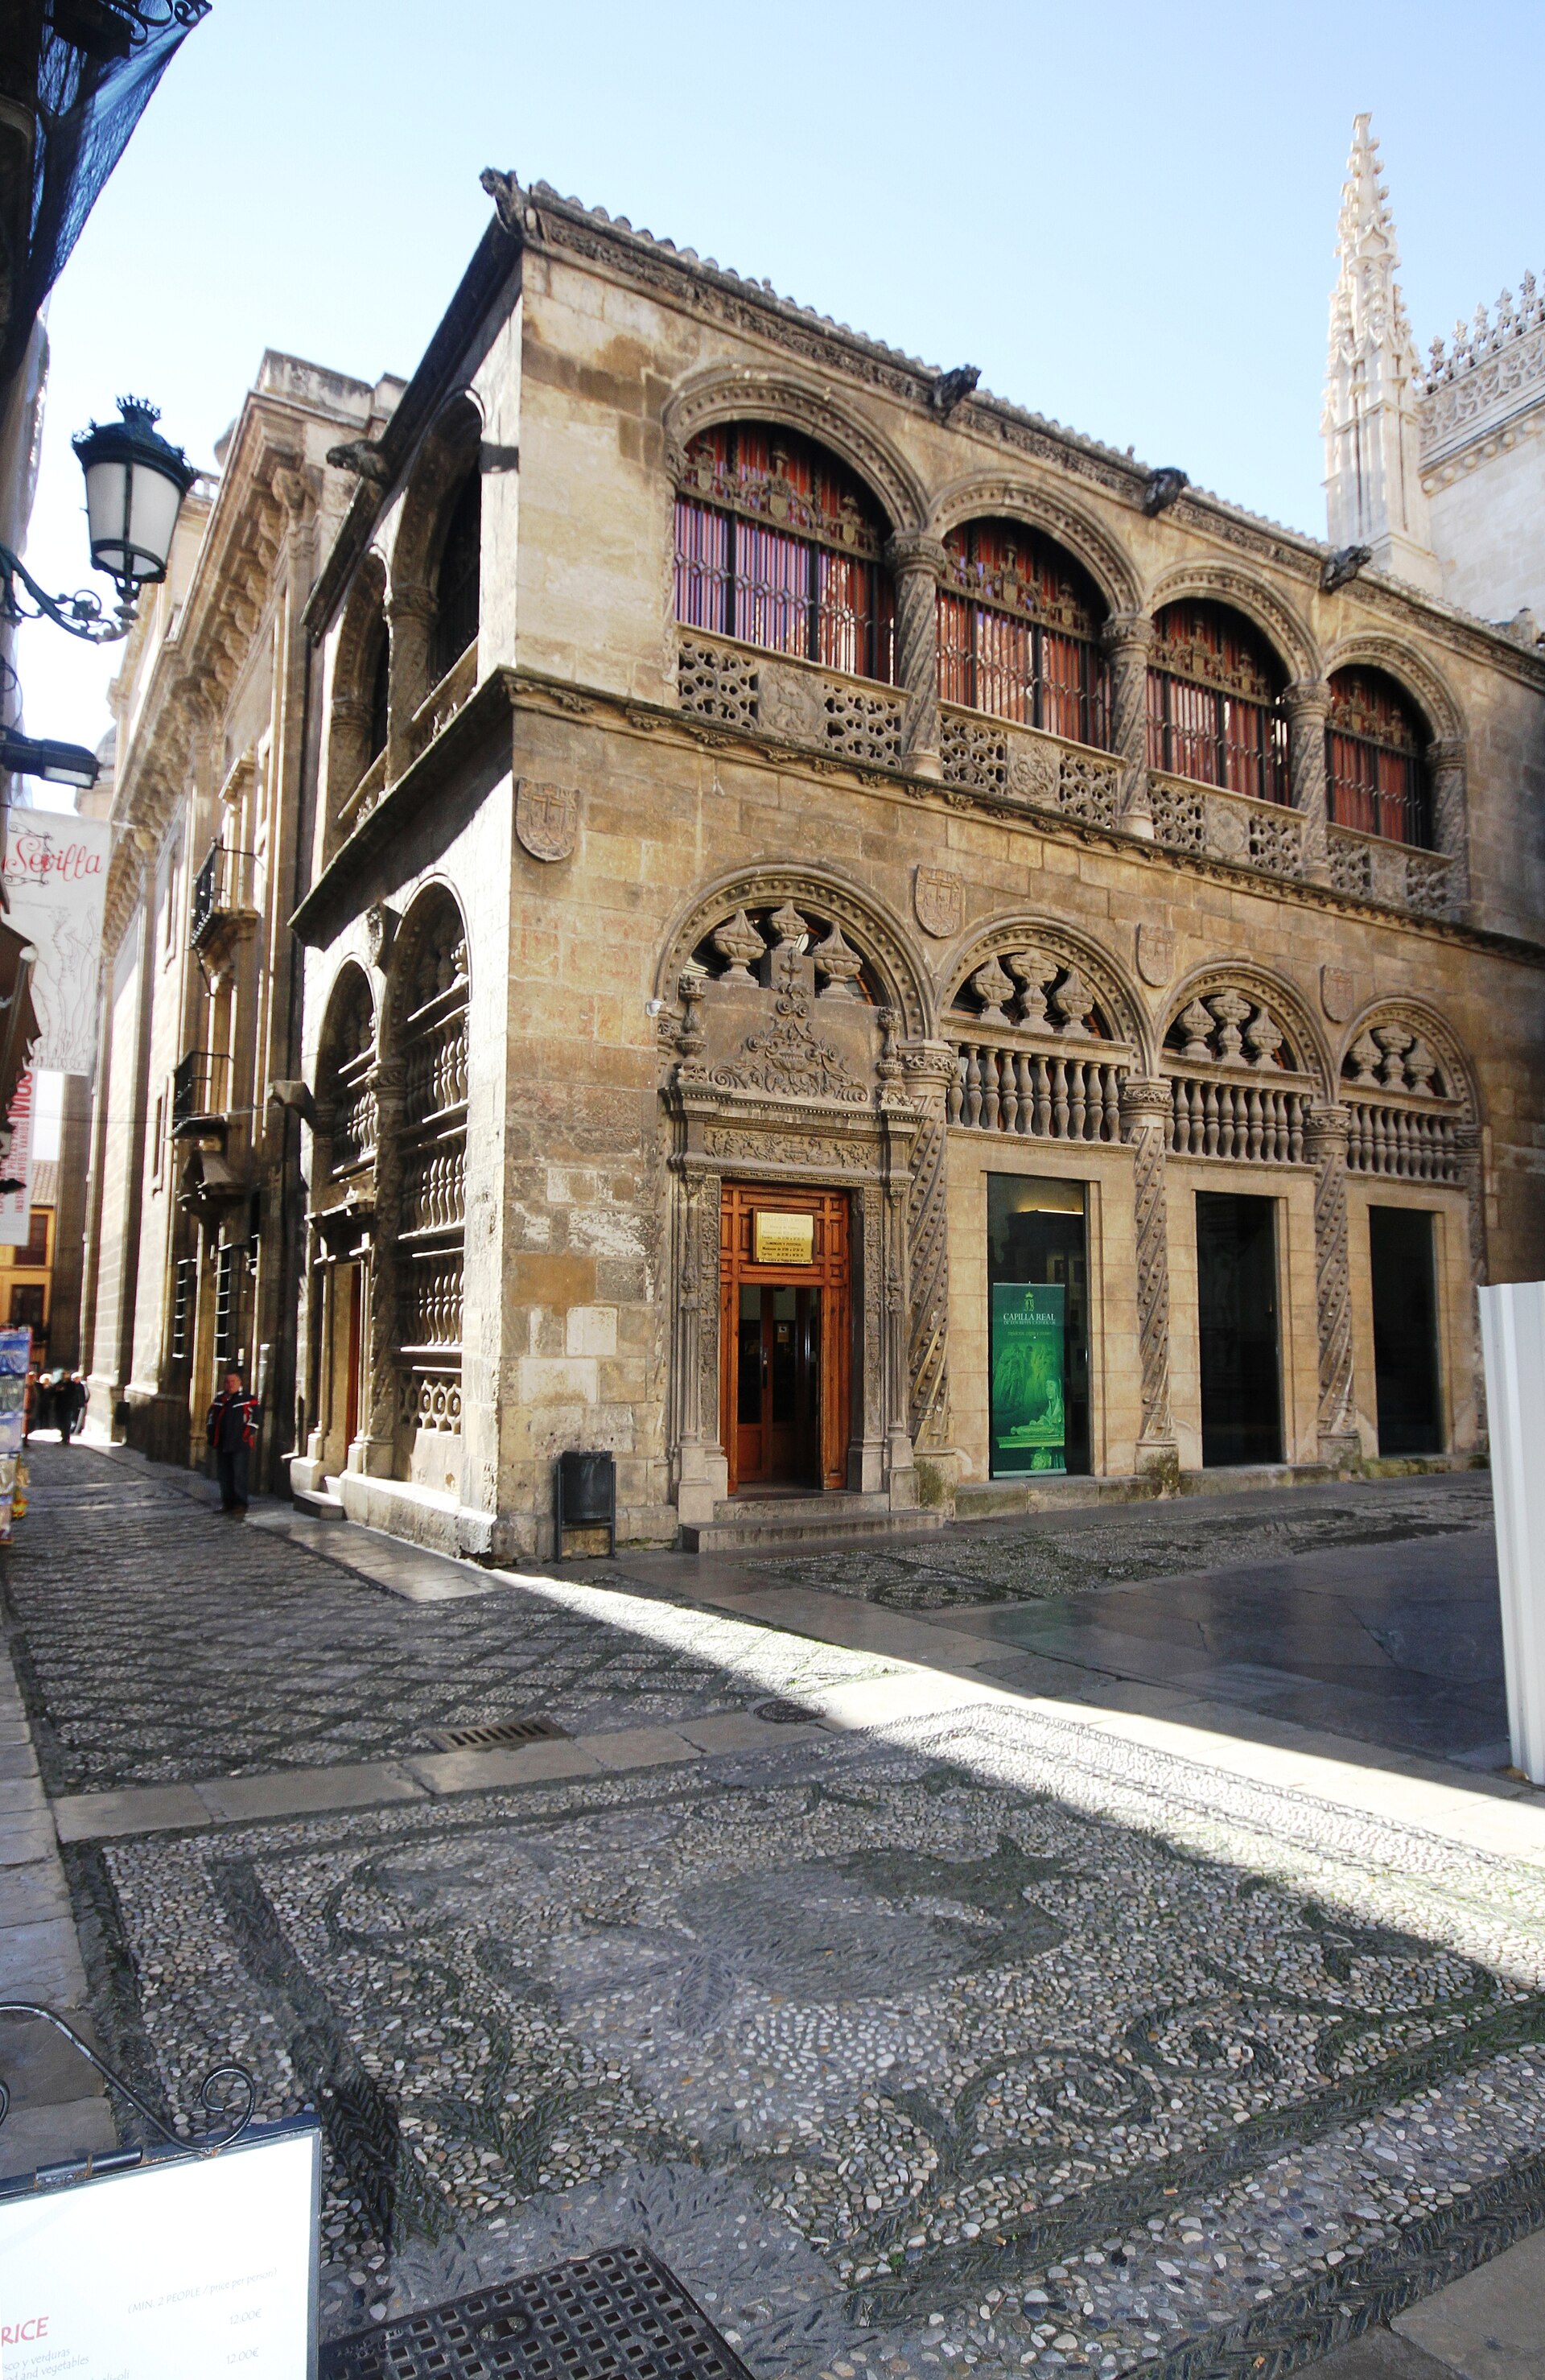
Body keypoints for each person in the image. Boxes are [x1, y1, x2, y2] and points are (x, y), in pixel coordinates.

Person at [206, 1371, 259, 1514]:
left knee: (239, 1474)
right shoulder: (220, 1399)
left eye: (233, 1382)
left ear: (239, 1383)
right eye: (228, 1382)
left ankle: (240, 1503)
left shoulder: (247, 1399)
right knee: (224, 1475)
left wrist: (246, 1434)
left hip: (239, 1444)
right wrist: (211, 1435)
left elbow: (254, 1419)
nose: (230, 1385)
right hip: (222, 1443)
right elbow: (211, 1418)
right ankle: (227, 1503)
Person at [59, 1371, 88, 1445]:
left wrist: (81, 1403)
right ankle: (65, 1436)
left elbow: (83, 1396)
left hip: (71, 1406)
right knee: (64, 1422)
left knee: (69, 1421)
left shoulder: (76, 1386)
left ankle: (67, 1436)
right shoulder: (62, 1383)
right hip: (64, 1406)